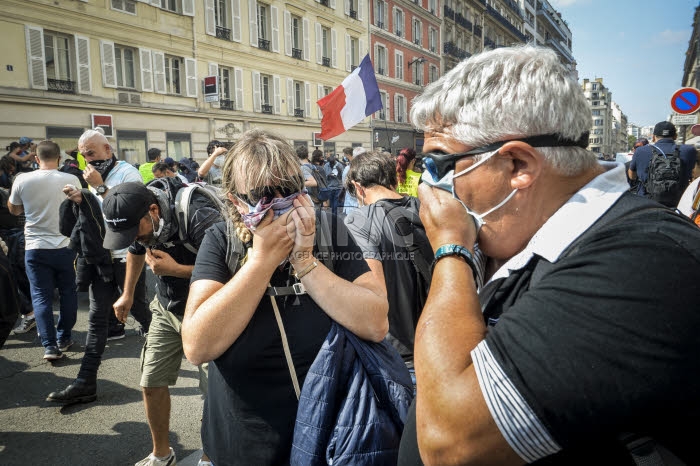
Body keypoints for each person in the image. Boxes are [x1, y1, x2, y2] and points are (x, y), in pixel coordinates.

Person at [396, 45, 700, 465]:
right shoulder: (530, 236)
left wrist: (451, 248)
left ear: (518, 164)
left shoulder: (643, 259)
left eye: (440, 165)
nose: (429, 188)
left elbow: (450, 441)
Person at [181, 128, 388, 466]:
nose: (281, 202)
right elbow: (197, 346)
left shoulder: (331, 228)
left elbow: (376, 322)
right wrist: (261, 262)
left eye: (290, 188)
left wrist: (306, 262)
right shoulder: (221, 240)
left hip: (330, 432)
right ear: (236, 200)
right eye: (264, 194)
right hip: (246, 441)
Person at [94, 180, 221, 466]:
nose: (132, 239)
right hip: (165, 307)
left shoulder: (198, 214)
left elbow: (229, 267)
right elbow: (135, 251)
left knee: (212, 392)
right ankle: (161, 454)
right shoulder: (140, 222)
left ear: (153, 211)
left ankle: (210, 456)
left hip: (208, 309)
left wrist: (176, 270)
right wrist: (127, 294)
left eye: (134, 231)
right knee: (151, 381)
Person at [47, 129, 150, 404]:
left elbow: (128, 214)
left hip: (129, 255)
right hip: (100, 257)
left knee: (140, 310)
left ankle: (183, 352)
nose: (87, 159)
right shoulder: (91, 175)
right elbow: (97, 216)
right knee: (96, 321)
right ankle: (85, 383)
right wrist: (83, 198)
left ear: (107, 149)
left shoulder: (128, 174)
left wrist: (99, 188)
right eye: (83, 155)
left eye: (91, 153)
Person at [344, 150, 432, 388]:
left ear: (358, 188)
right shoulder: (426, 208)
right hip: (437, 343)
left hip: (396, 354)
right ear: (394, 179)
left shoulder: (359, 220)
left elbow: (372, 295)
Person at [7, 140, 81, 360]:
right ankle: (64, 337)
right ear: (59, 158)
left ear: (36, 158)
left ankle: (49, 346)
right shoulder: (71, 178)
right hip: (66, 246)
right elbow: (80, 206)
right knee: (69, 293)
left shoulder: (22, 179)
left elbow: (13, 209)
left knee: (40, 296)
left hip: (35, 247)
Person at [628, 121, 696, 206]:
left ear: (653, 137)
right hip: (679, 204)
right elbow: (695, 174)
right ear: (675, 136)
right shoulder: (689, 151)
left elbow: (632, 176)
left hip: (646, 204)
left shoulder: (640, 151)